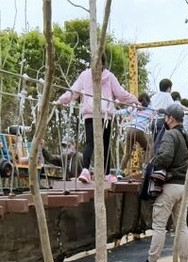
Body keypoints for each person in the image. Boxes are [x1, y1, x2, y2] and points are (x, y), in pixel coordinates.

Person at [56, 54, 138, 182]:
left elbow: (73, 91)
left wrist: (61, 100)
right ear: (104, 64)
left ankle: (86, 170)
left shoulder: (85, 75)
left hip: (91, 114)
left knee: (91, 142)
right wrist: (135, 100)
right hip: (104, 115)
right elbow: (121, 94)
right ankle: (105, 173)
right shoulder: (109, 76)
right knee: (105, 144)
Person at [131, 103, 188, 262]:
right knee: (181, 226)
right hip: (183, 186)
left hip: (169, 186)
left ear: (170, 118)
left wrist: (152, 163)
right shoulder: (186, 136)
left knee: (159, 226)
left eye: (166, 116)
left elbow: (165, 157)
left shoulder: (170, 135)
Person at [116, 92, 156, 174]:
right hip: (139, 130)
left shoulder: (134, 107)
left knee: (127, 153)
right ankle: (145, 168)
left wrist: (114, 112)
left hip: (129, 129)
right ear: (148, 101)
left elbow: (124, 112)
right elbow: (155, 116)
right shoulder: (150, 110)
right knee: (148, 148)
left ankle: (120, 172)